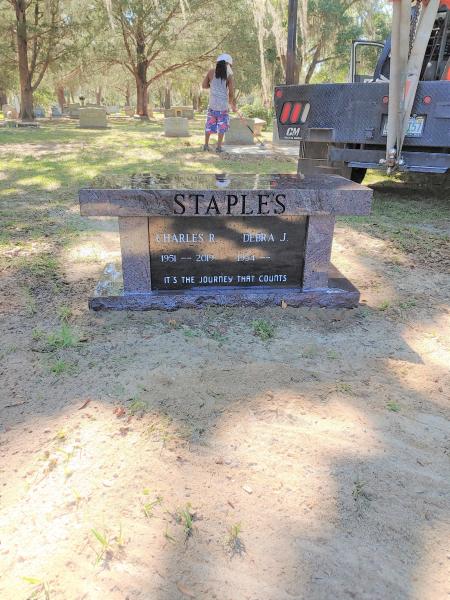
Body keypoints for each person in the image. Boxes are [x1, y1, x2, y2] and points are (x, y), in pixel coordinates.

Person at [202, 53, 237, 153]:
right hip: (223, 107)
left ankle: (205, 145)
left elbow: (204, 85)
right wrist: (231, 104)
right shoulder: (229, 76)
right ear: (228, 64)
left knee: (209, 126)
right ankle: (218, 147)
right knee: (222, 127)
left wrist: (213, 86)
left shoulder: (211, 72)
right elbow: (231, 93)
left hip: (212, 105)